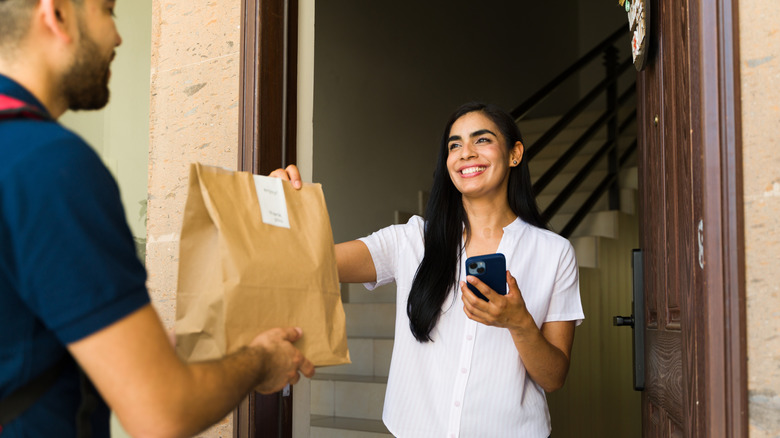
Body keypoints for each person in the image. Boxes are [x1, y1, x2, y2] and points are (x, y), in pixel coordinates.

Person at [0, 0, 314, 437]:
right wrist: (262, 361)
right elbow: (162, 414)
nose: (118, 36)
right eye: (108, 11)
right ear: (56, 14)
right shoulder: (50, 165)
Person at [273, 102, 584, 437]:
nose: (465, 153)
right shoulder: (410, 240)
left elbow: (553, 378)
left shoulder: (554, 253)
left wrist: (519, 323)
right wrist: (281, 207)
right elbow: (311, 263)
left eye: (482, 140)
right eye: (454, 145)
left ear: (514, 153)